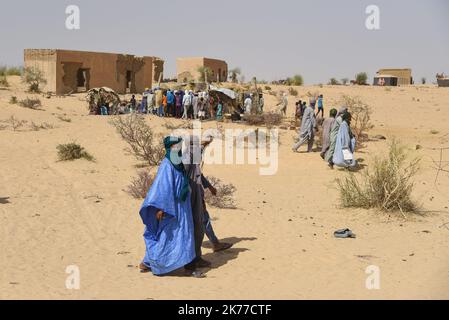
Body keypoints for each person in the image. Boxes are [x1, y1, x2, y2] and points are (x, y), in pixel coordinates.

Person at [139, 136, 204, 278]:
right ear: (169, 148)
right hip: (170, 208)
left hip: (182, 207)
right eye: (175, 147)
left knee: (184, 235)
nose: (178, 149)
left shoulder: (179, 163)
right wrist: (160, 208)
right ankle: (182, 267)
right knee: (169, 236)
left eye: (179, 146)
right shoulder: (167, 165)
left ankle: (150, 263)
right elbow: (161, 187)